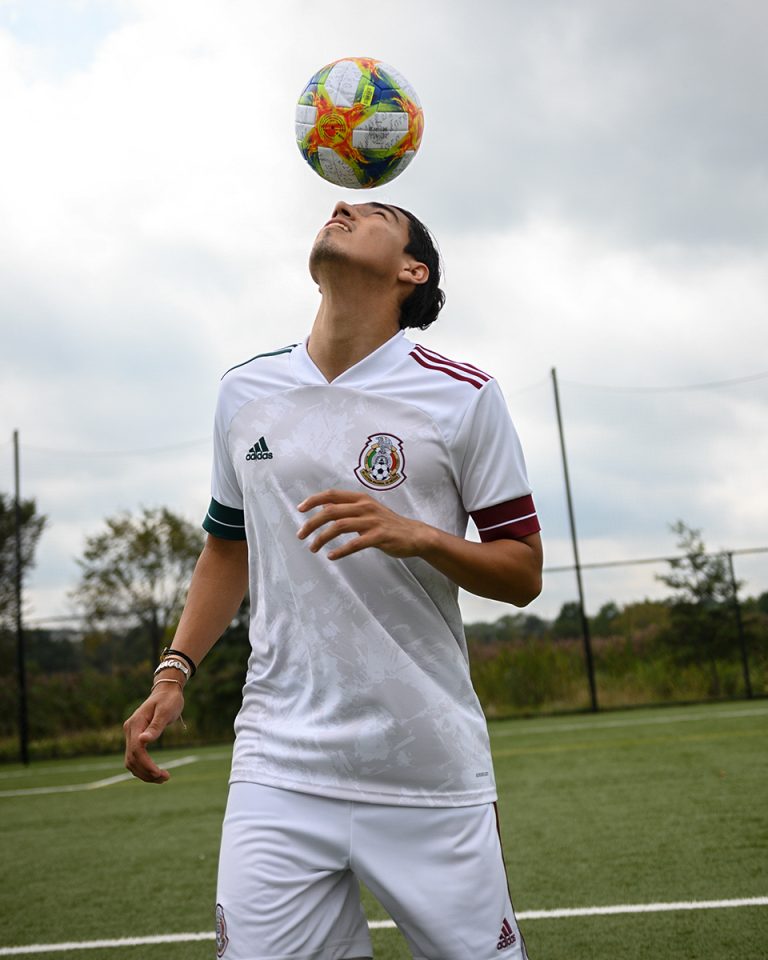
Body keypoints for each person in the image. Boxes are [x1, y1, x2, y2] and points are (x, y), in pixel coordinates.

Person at [124, 200, 543, 960]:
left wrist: (417, 534)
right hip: (279, 761)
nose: (342, 205)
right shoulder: (243, 393)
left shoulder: (463, 395)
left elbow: (522, 572)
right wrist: (174, 670)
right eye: (340, 203)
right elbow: (227, 548)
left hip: (424, 763)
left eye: (376, 209)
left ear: (411, 272)